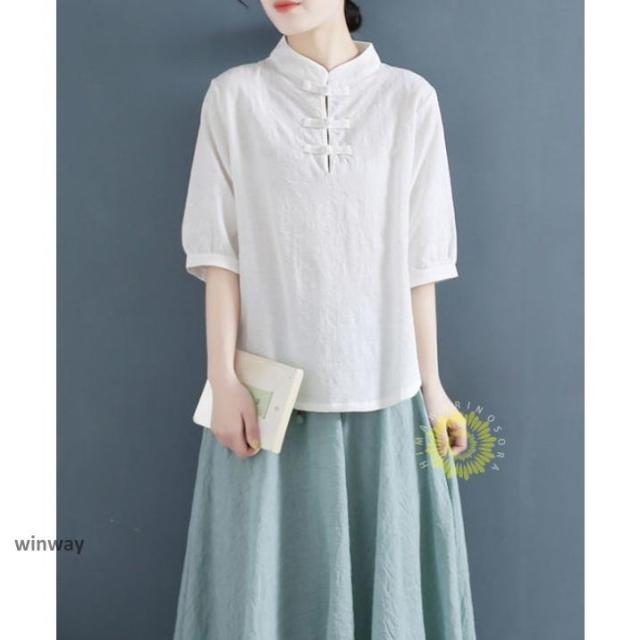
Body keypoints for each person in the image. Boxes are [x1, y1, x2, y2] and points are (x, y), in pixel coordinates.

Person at [173, 1, 476, 638]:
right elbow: (219, 255)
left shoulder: (409, 100)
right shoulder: (234, 98)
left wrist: (434, 389)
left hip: (386, 401)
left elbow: (420, 265)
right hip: (267, 411)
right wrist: (222, 379)